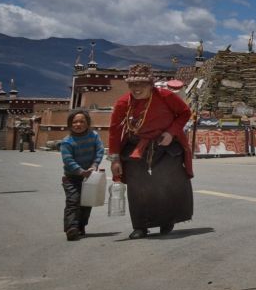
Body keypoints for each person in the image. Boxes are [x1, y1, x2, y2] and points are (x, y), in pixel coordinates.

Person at [109, 63, 194, 239]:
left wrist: (171, 132)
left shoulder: (165, 96)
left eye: (141, 84)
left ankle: (166, 221)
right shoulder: (123, 103)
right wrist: (115, 158)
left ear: (151, 84)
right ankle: (140, 226)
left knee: (166, 183)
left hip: (165, 145)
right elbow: (115, 130)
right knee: (137, 187)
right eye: (133, 85)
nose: (137, 89)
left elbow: (185, 113)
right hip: (136, 147)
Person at [60, 109, 105, 241]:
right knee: (73, 201)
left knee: (86, 203)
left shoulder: (94, 136)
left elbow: (100, 150)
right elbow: (68, 160)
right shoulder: (67, 141)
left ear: (87, 123)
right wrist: (80, 171)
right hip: (71, 178)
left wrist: (94, 165)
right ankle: (71, 228)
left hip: (90, 177)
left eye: (82, 121)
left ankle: (80, 226)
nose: (78, 124)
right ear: (70, 124)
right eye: (75, 122)